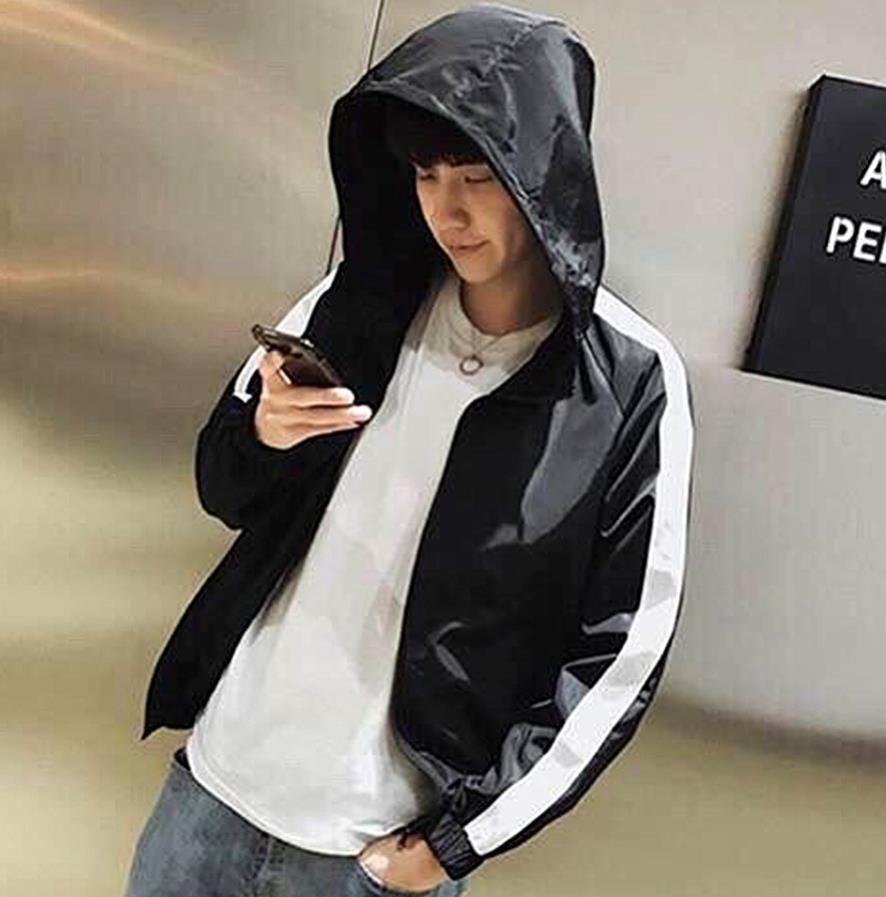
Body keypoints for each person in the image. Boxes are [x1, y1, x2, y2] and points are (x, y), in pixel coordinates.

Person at [126, 5, 695, 897]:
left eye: (478, 175)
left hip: (374, 852)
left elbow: (621, 651)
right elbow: (222, 485)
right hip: (211, 795)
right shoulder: (356, 299)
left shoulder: (627, 382)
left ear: (545, 177)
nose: (446, 210)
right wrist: (264, 435)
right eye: (426, 174)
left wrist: (457, 841)